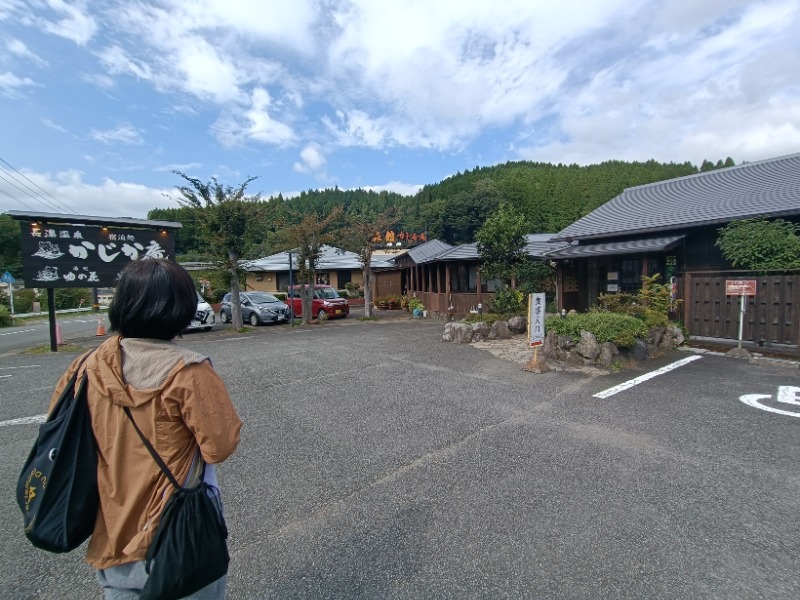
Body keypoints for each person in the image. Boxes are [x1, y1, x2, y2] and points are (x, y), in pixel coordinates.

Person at [50, 258, 242, 599]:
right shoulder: (189, 373)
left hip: (111, 529)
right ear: (182, 308)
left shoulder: (84, 367)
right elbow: (219, 446)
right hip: (177, 533)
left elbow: (59, 430)